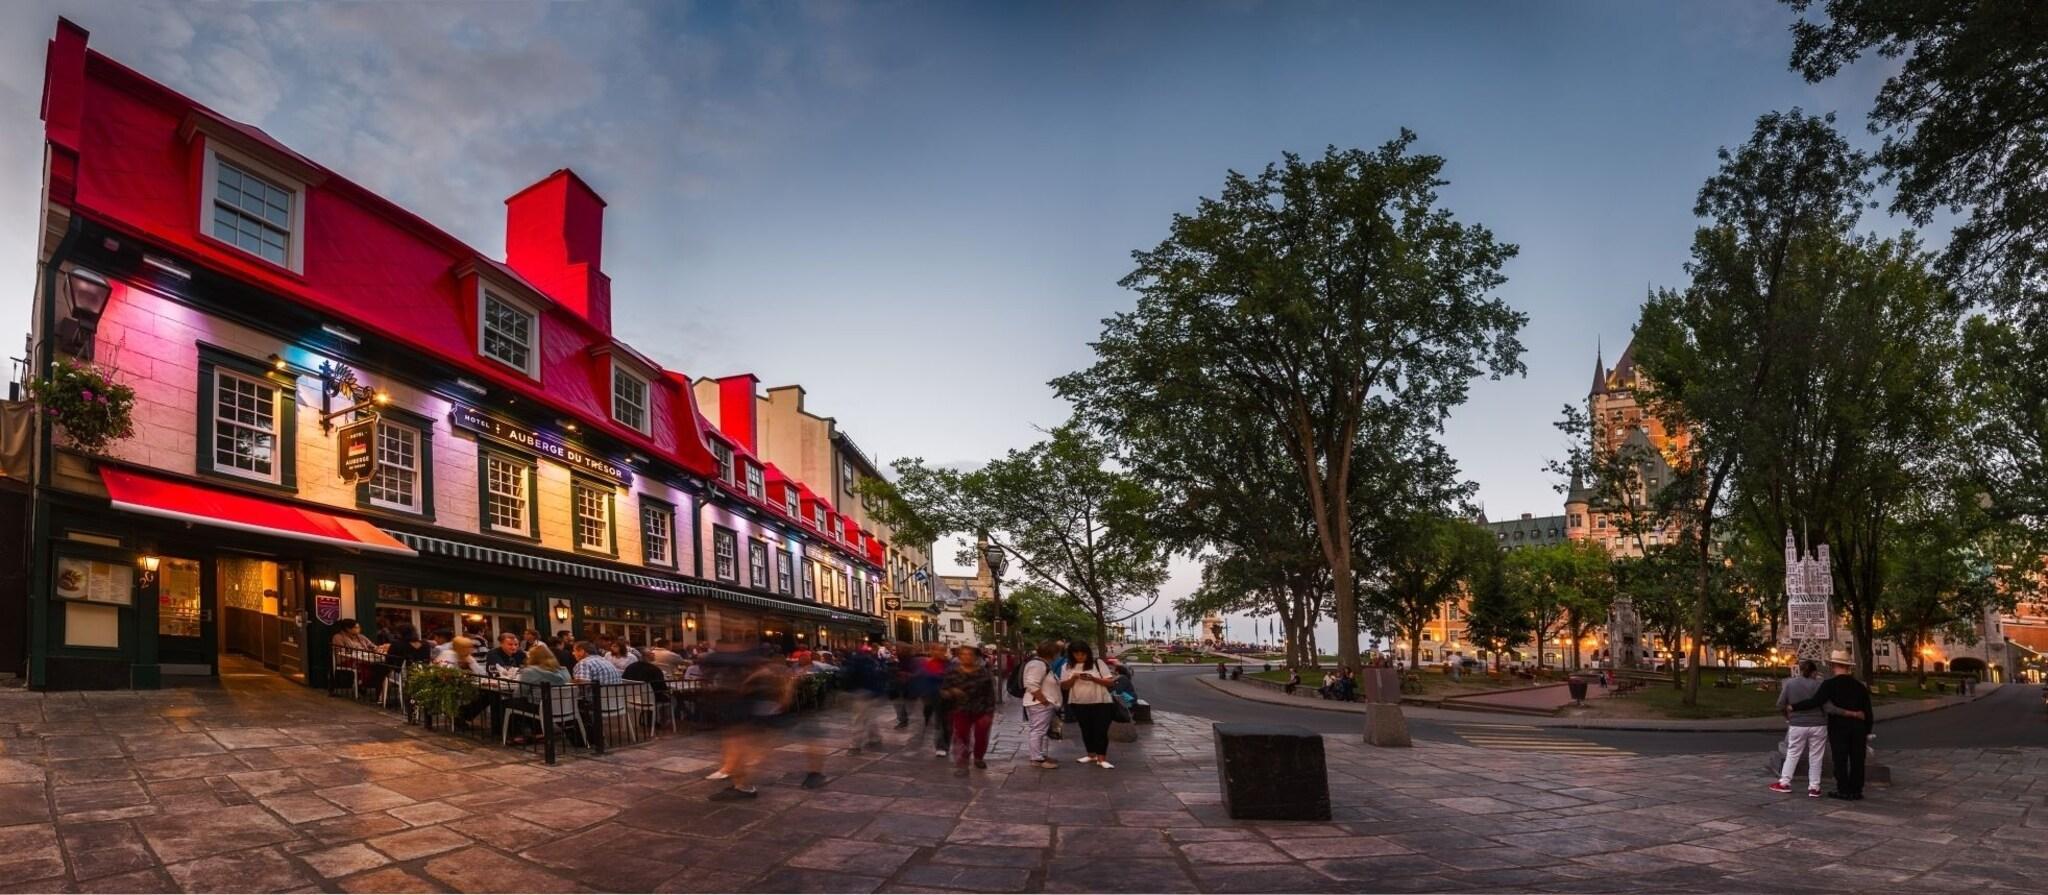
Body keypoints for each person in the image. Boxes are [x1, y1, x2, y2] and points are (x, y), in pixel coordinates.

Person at [1791, 658, 1874, 800]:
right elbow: (1868, 711)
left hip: (1839, 726)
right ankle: (1856, 789)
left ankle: (1843, 789)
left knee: (1840, 759)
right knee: (1858, 759)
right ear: (1848, 667)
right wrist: (1867, 730)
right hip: (1858, 727)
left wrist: (1794, 706)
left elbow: (1816, 701)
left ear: (1834, 666)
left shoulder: (1829, 684)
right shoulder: (1859, 685)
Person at [1771, 660, 1827, 797]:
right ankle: (1814, 787)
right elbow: (1826, 705)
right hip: (1818, 723)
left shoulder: (1790, 684)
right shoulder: (1819, 685)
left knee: (1793, 753)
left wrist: (1788, 717)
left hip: (1797, 723)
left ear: (1800, 670)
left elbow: (1780, 704)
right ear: (1814, 672)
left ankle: (1784, 782)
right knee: (1816, 756)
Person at [1058, 640, 1118, 769]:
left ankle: (1101, 758)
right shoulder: (1067, 666)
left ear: (1087, 653)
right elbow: (1064, 686)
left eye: (1083, 654)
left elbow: (1110, 682)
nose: (1080, 657)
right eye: (1076, 654)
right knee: (1086, 729)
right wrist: (1073, 678)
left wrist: (1093, 678)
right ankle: (1091, 754)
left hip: (1101, 701)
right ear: (1071, 654)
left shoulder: (1097, 663)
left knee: (1100, 730)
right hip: (1078, 702)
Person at [941, 645, 998, 776]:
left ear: (975, 657)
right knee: (961, 737)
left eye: (970, 654)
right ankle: (962, 764)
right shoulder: (952, 673)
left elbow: (990, 693)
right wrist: (952, 691)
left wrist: (989, 712)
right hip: (960, 709)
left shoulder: (984, 673)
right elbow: (944, 691)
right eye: (963, 654)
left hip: (981, 709)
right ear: (959, 656)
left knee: (981, 735)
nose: (966, 657)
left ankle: (978, 757)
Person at [507, 644, 572, 745]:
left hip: (540, 707)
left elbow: (520, 693)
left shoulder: (530, 671)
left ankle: (517, 734)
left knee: (509, 703)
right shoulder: (562, 670)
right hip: (564, 707)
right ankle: (539, 731)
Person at [1020, 640, 1062, 769]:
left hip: (1041, 703)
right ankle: (1037, 758)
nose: (1058, 655)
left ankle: (1041, 755)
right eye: (1057, 652)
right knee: (1038, 731)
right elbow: (1032, 684)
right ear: (1052, 653)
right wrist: (1044, 701)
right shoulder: (1038, 665)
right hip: (1039, 703)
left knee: (1041, 731)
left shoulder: (1041, 663)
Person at [843, 644, 888, 753]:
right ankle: (875, 738)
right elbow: (880, 676)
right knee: (870, 716)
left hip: (861, 692)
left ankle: (855, 745)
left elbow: (849, 676)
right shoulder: (873, 662)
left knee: (858, 719)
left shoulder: (856, 661)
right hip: (873, 693)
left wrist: (848, 690)